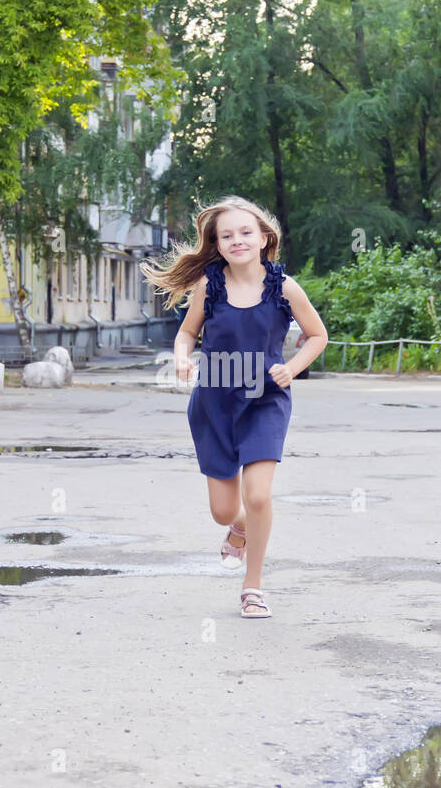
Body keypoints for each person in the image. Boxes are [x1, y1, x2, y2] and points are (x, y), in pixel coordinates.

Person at [141, 196, 328, 619]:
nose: (236, 240)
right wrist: (182, 356)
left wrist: (292, 368)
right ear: (217, 243)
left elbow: (317, 335)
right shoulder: (211, 286)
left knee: (258, 496)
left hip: (265, 400)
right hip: (214, 403)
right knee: (223, 511)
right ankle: (238, 527)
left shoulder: (284, 287)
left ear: (264, 238)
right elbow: (187, 333)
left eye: (245, 232)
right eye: (226, 235)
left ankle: (253, 587)